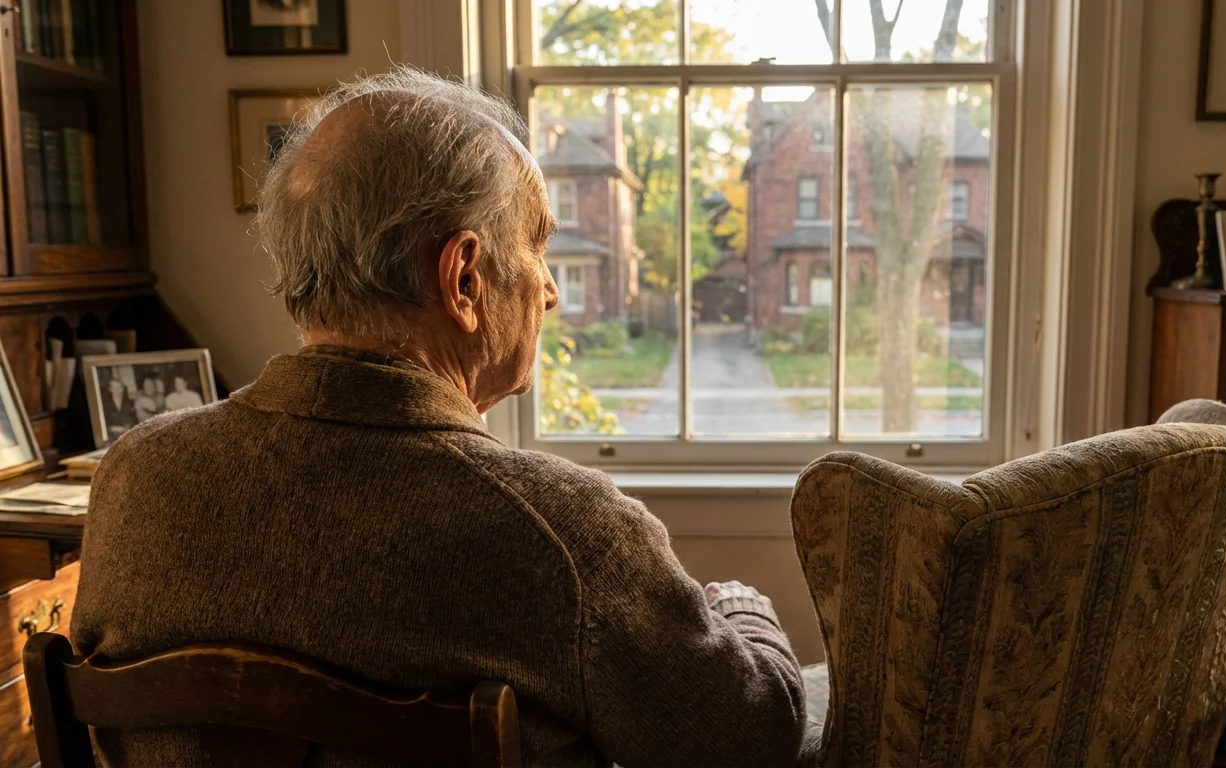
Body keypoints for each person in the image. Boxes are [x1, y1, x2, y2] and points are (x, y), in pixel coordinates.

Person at [71, 68, 808, 767]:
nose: (550, 291)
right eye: (539, 245)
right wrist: (746, 612)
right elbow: (752, 738)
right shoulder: (563, 533)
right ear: (463, 278)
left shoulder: (136, 477)